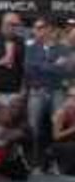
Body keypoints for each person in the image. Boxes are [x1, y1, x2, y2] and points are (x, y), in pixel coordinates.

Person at [24, 19, 68, 173]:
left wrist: (43, 66)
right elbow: (29, 68)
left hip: (57, 91)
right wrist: (53, 65)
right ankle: (34, 163)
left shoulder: (63, 49)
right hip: (37, 91)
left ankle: (55, 163)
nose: (36, 31)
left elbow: (65, 70)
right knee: (34, 128)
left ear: (49, 29)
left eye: (40, 28)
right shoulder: (30, 48)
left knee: (57, 126)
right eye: (35, 28)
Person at [50, 86, 75, 175]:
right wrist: (72, 129)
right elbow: (56, 136)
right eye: (71, 96)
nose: (72, 99)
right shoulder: (62, 112)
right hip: (65, 145)